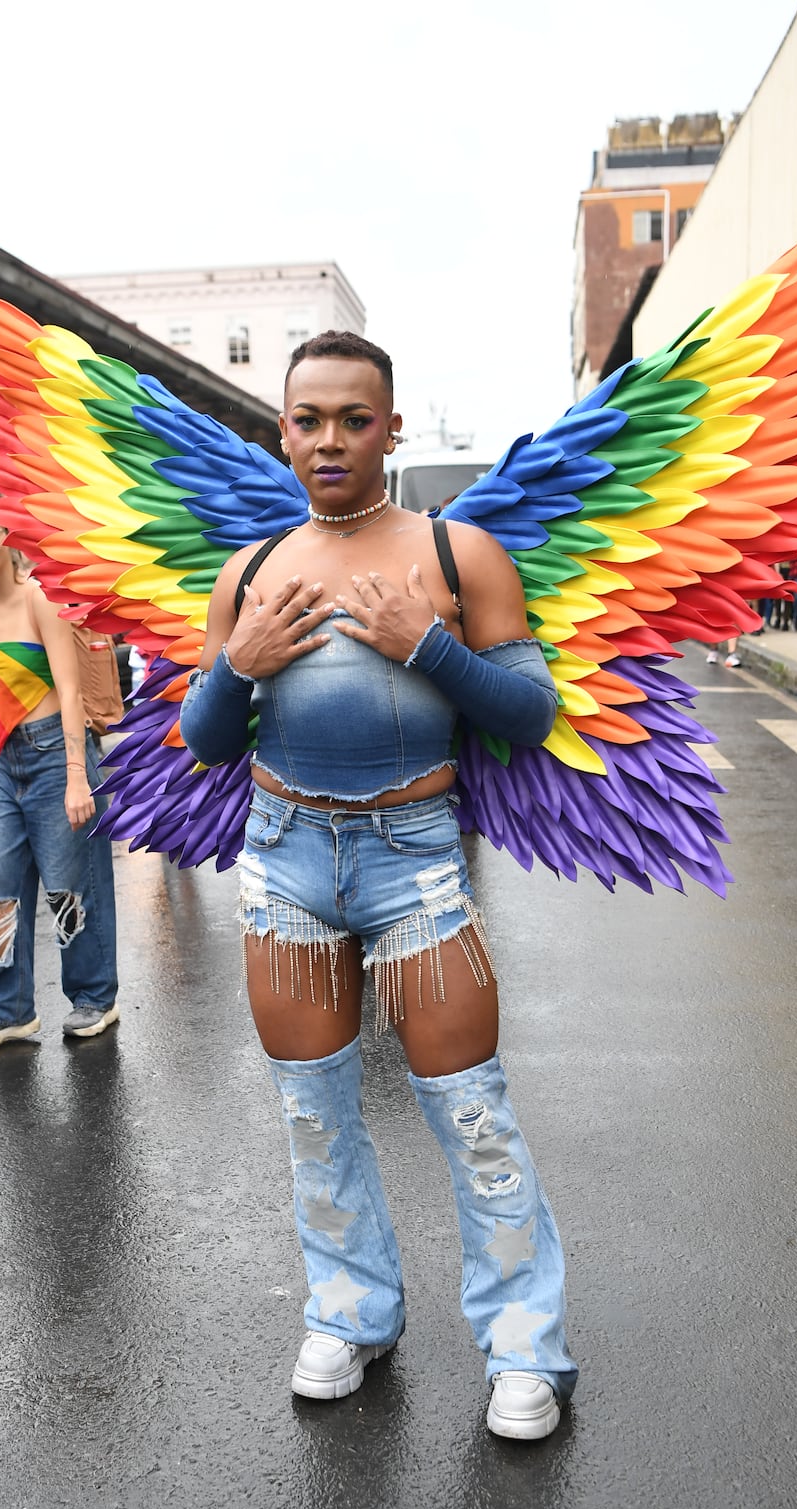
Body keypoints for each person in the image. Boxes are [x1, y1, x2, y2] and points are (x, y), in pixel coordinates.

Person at [179, 330, 577, 1441]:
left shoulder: (460, 554)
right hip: (286, 861)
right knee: (315, 1117)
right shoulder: (252, 573)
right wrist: (237, 663)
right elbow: (204, 742)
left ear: (392, 428)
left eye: (356, 419)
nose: (331, 440)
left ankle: (522, 1345)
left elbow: (530, 716)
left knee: (473, 1114)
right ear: (283, 431)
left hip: (415, 863)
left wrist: (427, 645)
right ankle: (350, 1315)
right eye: (309, 420)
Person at [0, 487, 119, 1046]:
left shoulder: (40, 597)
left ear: (10, 535)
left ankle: (94, 998)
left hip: (55, 754)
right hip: (3, 759)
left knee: (71, 888)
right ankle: (6, 1009)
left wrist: (75, 775)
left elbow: (69, 691)